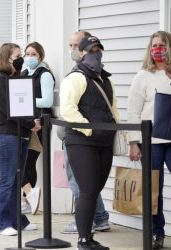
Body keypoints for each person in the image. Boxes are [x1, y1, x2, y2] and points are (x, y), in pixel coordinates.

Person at [60, 36, 119, 250]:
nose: (96, 53)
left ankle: (89, 236)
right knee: (87, 190)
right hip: (81, 141)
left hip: (104, 141)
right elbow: (67, 109)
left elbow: (114, 111)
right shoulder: (75, 78)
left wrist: (118, 133)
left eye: (98, 49)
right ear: (82, 53)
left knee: (95, 190)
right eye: (91, 49)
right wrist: (89, 128)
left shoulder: (107, 80)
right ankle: (83, 240)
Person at [0, 43, 41, 236]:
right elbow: (9, 109)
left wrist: (31, 122)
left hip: (21, 134)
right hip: (7, 134)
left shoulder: (15, 77)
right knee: (7, 179)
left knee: (17, 179)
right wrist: (30, 123)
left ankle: (18, 220)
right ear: (6, 58)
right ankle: (1, 223)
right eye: (18, 56)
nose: (22, 59)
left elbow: (26, 102)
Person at [127, 30, 171, 250]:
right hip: (151, 141)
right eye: (153, 45)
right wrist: (133, 142)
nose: (157, 49)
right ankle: (157, 233)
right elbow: (133, 111)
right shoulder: (143, 75)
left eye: (161, 45)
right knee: (154, 189)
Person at [21, 42, 55, 215]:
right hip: (26, 122)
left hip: (40, 123)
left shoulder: (45, 74)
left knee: (28, 162)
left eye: (33, 54)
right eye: (27, 53)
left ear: (40, 56)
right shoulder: (24, 73)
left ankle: (29, 200)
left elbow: (47, 101)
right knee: (24, 163)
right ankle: (28, 198)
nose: (29, 57)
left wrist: (24, 100)